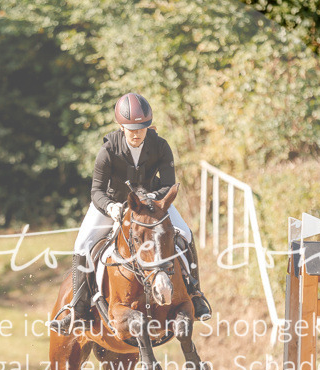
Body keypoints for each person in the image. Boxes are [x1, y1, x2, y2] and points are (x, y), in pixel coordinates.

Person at [49, 92, 212, 335]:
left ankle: (195, 294)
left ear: (149, 126)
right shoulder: (108, 150)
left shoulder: (160, 146)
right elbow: (96, 191)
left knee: (186, 233)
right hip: (112, 204)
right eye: (131, 129)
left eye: (142, 128)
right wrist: (111, 207)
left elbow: (168, 184)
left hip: (151, 205)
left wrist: (151, 200)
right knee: (82, 243)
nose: (136, 134)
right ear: (121, 127)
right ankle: (79, 309)